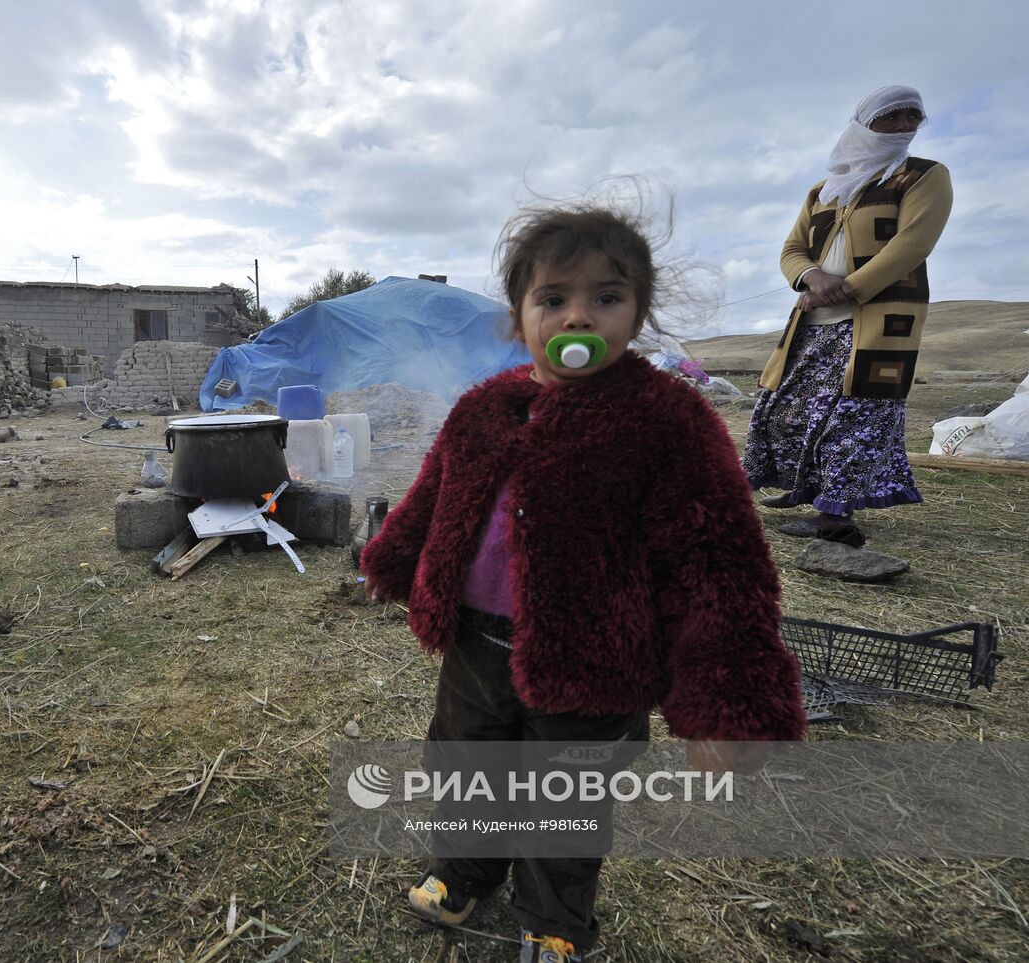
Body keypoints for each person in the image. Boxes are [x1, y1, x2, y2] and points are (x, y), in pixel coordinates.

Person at [359, 201, 807, 962]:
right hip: (477, 643)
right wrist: (396, 558)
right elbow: (437, 492)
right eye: (554, 297)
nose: (581, 316)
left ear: (638, 311)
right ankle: (465, 871)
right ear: (518, 315)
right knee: (467, 764)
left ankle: (556, 919)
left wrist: (728, 699)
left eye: (607, 297)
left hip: (596, 661)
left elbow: (717, 559)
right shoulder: (485, 407)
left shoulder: (667, 418)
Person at [744, 86, 953, 546]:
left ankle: (835, 513)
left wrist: (846, 290)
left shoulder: (922, 176)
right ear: (863, 122)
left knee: (857, 412)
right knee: (788, 404)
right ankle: (804, 486)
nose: (902, 127)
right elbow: (792, 250)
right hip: (813, 318)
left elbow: (911, 246)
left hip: (878, 319)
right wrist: (812, 278)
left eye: (911, 118)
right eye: (890, 117)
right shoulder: (823, 191)